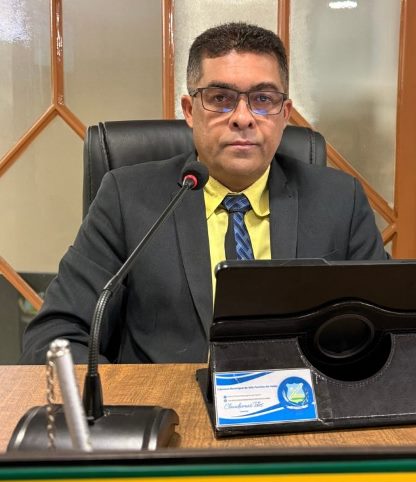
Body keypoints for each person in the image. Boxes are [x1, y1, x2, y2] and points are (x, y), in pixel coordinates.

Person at [21, 22, 388, 365]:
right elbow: (55, 336)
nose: (242, 117)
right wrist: (124, 403)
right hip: (170, 407)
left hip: (299, 405)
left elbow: (388, 332)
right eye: (220, 97)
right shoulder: (126, 198)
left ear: (284, 113)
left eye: (263, 99)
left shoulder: (340, 201)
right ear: (189, 110)